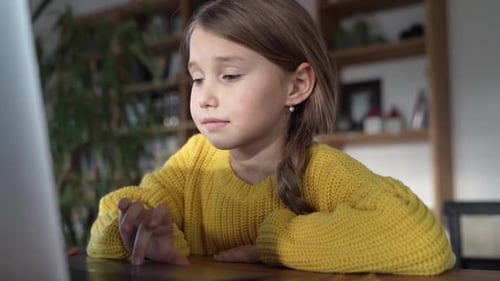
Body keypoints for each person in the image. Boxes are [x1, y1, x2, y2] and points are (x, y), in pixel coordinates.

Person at [87, 0, 455, 275]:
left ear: (296, 86)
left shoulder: (319, 168)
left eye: (229, 75)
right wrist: (140, 234)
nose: (204, 96)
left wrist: (277, 243)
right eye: (197, 77)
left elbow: (423, 238)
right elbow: (112, 222)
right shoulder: (193, 160)